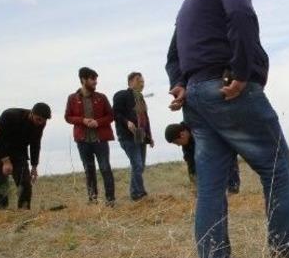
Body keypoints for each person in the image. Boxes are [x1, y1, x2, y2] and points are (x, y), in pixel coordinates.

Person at [165, 0, 289, 258]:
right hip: (226, 89)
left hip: (196, 97)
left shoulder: (188, 3)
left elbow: (173, 54)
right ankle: (284, 246)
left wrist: (179, 83)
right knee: (277, 165)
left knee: (211, 181)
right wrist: (241, 72)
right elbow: (242, 15)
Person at [0, 103, 51, 210]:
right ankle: (2, 211)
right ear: (31, 113)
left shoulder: (40, 124)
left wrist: (34, 166)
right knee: (2, 180)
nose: (41, 122)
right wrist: (6, 161)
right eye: (39, 119)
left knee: (25, 181)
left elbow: (35, 144)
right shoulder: (10, 115)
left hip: (17, 151)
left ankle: (24, 211)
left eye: (44, 120)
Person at [64, 66, 117, 205]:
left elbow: (111, 116)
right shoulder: (72, 98)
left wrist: (97, 122)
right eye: (93, 79)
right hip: (82, 141)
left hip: (100, 140)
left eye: (96, 79)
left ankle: (110, 200)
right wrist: (82, 120)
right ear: (83, 79)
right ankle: (93, 200)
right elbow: (68, 117)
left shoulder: (102, 97)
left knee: (105, 168)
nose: (96, 82)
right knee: (89, 170)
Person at [113, 72, 155, 201]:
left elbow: (144, 119)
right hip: (127, 135)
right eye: (138, 81)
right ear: (130, 82)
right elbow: (115, 113)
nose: (142, 84)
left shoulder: (140, 97)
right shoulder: (121, 95)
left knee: (140, 165)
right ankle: (138, 194)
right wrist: (126, 122)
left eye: (142, 81)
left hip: (140, 135)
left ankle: (135, 191)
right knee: (137, 164)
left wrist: (149, 136)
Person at [164, 122, 240, 193]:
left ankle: (233, 188)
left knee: (226, 159)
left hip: (223, 140)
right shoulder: (187, 145)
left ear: (182, 135)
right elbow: (191, 164)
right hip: (211, 150)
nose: (178, 145)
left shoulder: (198, 127)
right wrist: (195, 183)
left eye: (177, 142)